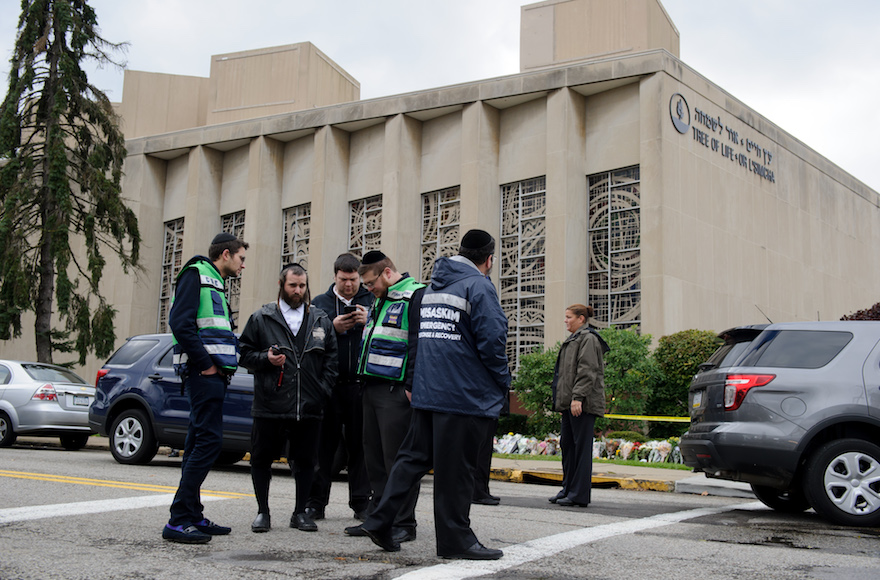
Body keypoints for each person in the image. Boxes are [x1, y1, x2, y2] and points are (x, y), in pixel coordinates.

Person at [359, 229, 510, 560]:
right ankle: (456, 539)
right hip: (462, 395)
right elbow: (492, 342)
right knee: (455, 471)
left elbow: (423, 340)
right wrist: (503, 384)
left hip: (429, 392)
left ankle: (381, 519)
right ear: (488, 260)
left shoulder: (431, 288)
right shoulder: (479, 286)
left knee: (411, 460)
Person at [239, 264, 338, 533]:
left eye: (302, 286)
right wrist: (265, 359)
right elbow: (244, 353)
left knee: (306, 461)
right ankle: (263, 512)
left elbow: (332, 359)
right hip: (270, 404)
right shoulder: (262, 317)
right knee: (261, 459)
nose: (298, 291)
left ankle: (299, 513)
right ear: (282, 284)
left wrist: (322, 390)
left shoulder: (320, 319)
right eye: (293, 285)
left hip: (309, 405)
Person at [163, 232, 248, 544]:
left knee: (198, 440)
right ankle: (178, 519)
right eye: (241, 259)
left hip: (214, 375)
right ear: (225, 254)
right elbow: (179, 323)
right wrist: (205, 364)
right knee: (210, 443)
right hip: (204, 374)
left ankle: (192, 513)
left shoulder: (215, 281)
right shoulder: (196, 274)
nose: (243, 266)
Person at [344, 250, 425, 544]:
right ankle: (377, 517)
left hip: (395, 392)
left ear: (387, 273)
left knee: (397, 460)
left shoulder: (415, 296)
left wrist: (411, 385)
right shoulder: (379, 299)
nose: (367, 289)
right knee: (374, 459)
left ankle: (405, 522)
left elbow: (417, 343)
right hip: (371, 387)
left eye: (369, 283)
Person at [305, 253, 373, 521]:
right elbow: (307, 342)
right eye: (344, 280)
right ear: (335, 276)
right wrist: (331, 328)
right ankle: (315, 502)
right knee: (323, 447)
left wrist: (370, 321)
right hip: (329, 386)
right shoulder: (320, 304)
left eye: (354, 280)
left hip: (360, 385)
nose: (349, 286)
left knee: (361, 447)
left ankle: (361, 502)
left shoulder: (371, 301)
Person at [548, 304, 608, 508]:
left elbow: (587, 370)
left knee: (580, 449)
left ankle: (579, 494)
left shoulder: (588, 339)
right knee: (568, 446)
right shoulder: (574, 339)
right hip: (569, 404)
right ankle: (568, 488)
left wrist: (578, 397)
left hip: (581, 404)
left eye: (569, 317)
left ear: (581, 319)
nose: (565, 320)